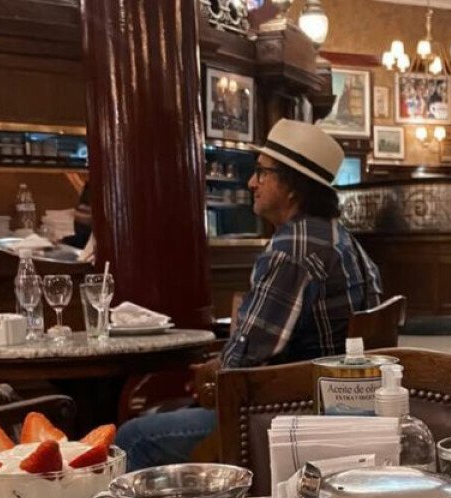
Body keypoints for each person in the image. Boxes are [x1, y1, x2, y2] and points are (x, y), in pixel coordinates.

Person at [116, 119, 383, 470]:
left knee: (132, 437)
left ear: (292, 187)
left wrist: (214, 371)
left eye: (262, 172)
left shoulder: (292, 250)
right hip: (336, 406)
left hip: (288, 413)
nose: (251, 182)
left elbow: (244, 362)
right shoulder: (342, 239)